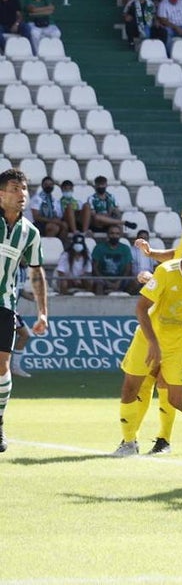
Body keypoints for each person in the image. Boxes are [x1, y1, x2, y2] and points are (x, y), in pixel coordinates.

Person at [113, 228, 182, 457]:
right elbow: (141, 307)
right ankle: (129, 443)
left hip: (180, 344)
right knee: (130, 387)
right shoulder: (165, 271)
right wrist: (153, 342)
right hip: (149, 336)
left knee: (176, 399)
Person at [0, 169, 50, 451]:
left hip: (4, 305)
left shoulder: (30, 232)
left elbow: (36, 271)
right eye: (15, 188)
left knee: (2, 366)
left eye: (24, 189)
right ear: (1, 194)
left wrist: (43, 312)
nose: (22, 194)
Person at [91, 225, 135, 295]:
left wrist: (119, 282)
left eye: (117, 234)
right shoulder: (99, 248)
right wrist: (106, 281)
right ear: (108, 235)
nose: (114, 236)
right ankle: (100, 304)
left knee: (134, 283)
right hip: (103, 279)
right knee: (99, 285)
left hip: (121, 279)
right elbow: (95, 268)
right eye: (112, 233)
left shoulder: (125, 248)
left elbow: (128, 268)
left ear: (120, 235)